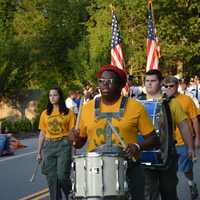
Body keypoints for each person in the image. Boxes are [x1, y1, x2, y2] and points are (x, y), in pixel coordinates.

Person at [69, 64, 159, 200]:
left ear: (121, 85)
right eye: (101, 81)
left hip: (129, 167)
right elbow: (78, 143)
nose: (104, 85)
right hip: (96, 171)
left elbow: (154, 139)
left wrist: (137, 146)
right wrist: (73, 139)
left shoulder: (135, 107)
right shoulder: (87, 108)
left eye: (109, 81)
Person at [139, 69, 195, 200]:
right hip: (144, 155)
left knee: (168, 192)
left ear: (160, 83)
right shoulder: (138, 103)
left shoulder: (171, 102)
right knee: (148, 194)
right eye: (147, 81)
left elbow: (183, 126)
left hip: (167, 155)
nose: (149, 84)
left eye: (153, 81)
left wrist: (190, 147)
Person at [164, 76, 200, 199]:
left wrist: (197, 138)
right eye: (166, 86)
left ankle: (191, 183)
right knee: (170, 174)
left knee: (186, 169)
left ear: (177, 85)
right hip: (168, 143)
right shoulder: (162, 101)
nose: (168, 88)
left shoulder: (187, 100)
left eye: (171, 86)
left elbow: (194, 120)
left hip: (184, 141)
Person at [36, 86, 75, 200]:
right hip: (49, 146)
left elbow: (72, 133)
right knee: (52, 179)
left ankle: (71, 193)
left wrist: (74, 149)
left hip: (64, 144)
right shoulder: (45, 114)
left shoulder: (68, 113)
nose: (52, 97)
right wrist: (39, 152)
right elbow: (42, 133)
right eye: (50, 95)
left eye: (55, 95)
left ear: (60, 96)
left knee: (62, 176)